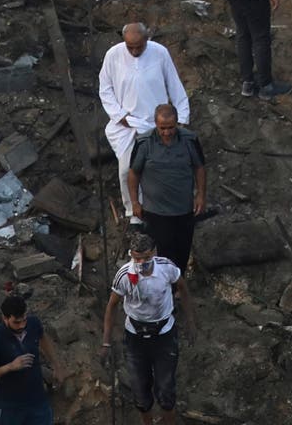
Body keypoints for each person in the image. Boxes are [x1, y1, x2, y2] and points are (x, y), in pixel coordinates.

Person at [97, 23, 191, 188]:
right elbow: (105, 89)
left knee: (158, 170)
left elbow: (174, 85)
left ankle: (157, 209)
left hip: (157, 124)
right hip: (127, 124)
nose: (134, 52)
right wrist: (120, 115)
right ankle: (133, 210)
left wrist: (181, 118)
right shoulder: (113, 55)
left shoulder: (160, 52)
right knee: (127, 171)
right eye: (130, 47)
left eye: (138, 47)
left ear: (147, 39)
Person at [105, 229, 183, 425]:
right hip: (136, 338)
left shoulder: (166, 268)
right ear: (132, 255)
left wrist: (190, 322)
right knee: (140, 391)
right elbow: (112, 305)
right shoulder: (124, 275)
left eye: (147, 257)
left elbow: (183, 287)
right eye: (138, 258)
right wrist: (106, 341)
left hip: (164, 335)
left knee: (166, 390)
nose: (142, 263)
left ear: (154, 252)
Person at [125, 103, 206, 269]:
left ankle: (178, 289)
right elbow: (133, 173)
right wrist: (134, 202)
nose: (167, 132)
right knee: (161, 255)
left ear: (177, 123)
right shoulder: (144, 143)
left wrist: (200, 195)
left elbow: (200, 167)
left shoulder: (189, 140)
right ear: (155, 123)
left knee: (182, 252)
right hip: (156, 212)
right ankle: (164, 291)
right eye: (162, 128)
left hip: (183, 210)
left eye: (171, 127)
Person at [0, 294, 54, 425]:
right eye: (16, 322)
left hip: (37, 402)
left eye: (24, 320)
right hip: (10, 408)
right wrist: (9, 367)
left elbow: (43, 338)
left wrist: (57, 365)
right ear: (5, 318)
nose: (22, 325)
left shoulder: (33, 324)